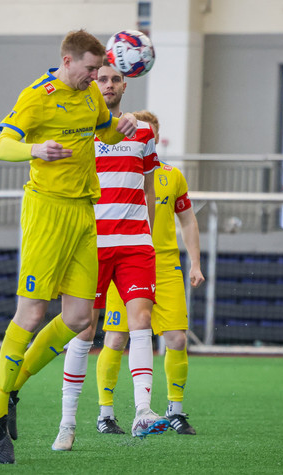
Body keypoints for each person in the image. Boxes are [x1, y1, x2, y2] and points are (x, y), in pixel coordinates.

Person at [0, 29, 138, 464]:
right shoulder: (38, 95)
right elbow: (1, 146)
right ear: (67, 61)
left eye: (100, 70)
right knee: (32, 313)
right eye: (90, 69)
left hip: (84, 212)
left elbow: (105, 132)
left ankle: (9, 386)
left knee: (79, 318)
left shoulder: (90, 97)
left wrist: (121, 126)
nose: (96, 77)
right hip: (47, 212)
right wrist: (36, 149)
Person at [51, 60, 169, 452]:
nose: (108, 84)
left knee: (141, 321)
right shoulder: (82, 130)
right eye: (101, 78)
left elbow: (149, 188)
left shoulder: (144, 132)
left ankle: (143, 411)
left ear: (124, 85)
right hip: (91, 244)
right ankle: (67, 423)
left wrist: (148, 234)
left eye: (115, 79)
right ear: (92, 83)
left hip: (135, 244)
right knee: (84, 329)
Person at [96, 110, 205, 436]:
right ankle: (105, 413)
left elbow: (188, 220)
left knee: (177, 338)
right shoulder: (119, 169)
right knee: (116, 337)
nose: (147, 136)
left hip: (165, 264)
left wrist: (195, 263)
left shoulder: (172, 176)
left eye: (151, 132)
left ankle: (175, 410)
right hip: (125, 261)